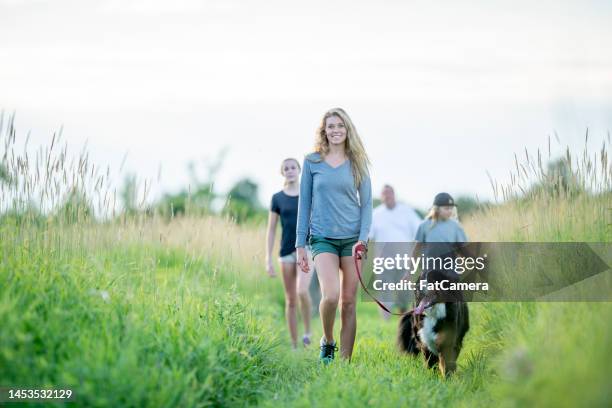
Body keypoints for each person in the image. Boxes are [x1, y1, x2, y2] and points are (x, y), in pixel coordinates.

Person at [296, 107, 372, 363]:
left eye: (340, 126)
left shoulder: (358, 161)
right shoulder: (311, 162)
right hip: (322, 238)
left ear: (347, 129)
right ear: (324, 131)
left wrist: (363, 238)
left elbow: (367, 204)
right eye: (331, 126)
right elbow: (304, 204)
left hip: (353, 241)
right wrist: (299, 245)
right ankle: (328, 340)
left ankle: (345, 364)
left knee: (349, 303)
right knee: (331, 296)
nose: (336, 130)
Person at [265, 158, 315, 349]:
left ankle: (308, 332)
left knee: (302, 290)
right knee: (290, 299)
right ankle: (295, 345)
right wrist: (267, 259)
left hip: (307, 249)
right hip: (285, 252)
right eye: (286, 168)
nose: (290, 170)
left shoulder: (308, 195)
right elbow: (270, 230)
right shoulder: (277, 198)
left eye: (293, 167)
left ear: (299, 170)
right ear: (282, 172)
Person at [368, 184, 422, 318]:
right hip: (383, 258)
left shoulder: (407, 211)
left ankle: (404, 318)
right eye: (384, 194)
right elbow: (368, 236)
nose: (387, 196)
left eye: (389, 193)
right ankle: (385, 320)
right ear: (381, 197)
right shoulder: (376, 214)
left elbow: (420, 230)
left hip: (404, 257)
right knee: (384, 290)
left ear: (394, 195)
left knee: (404, 291)